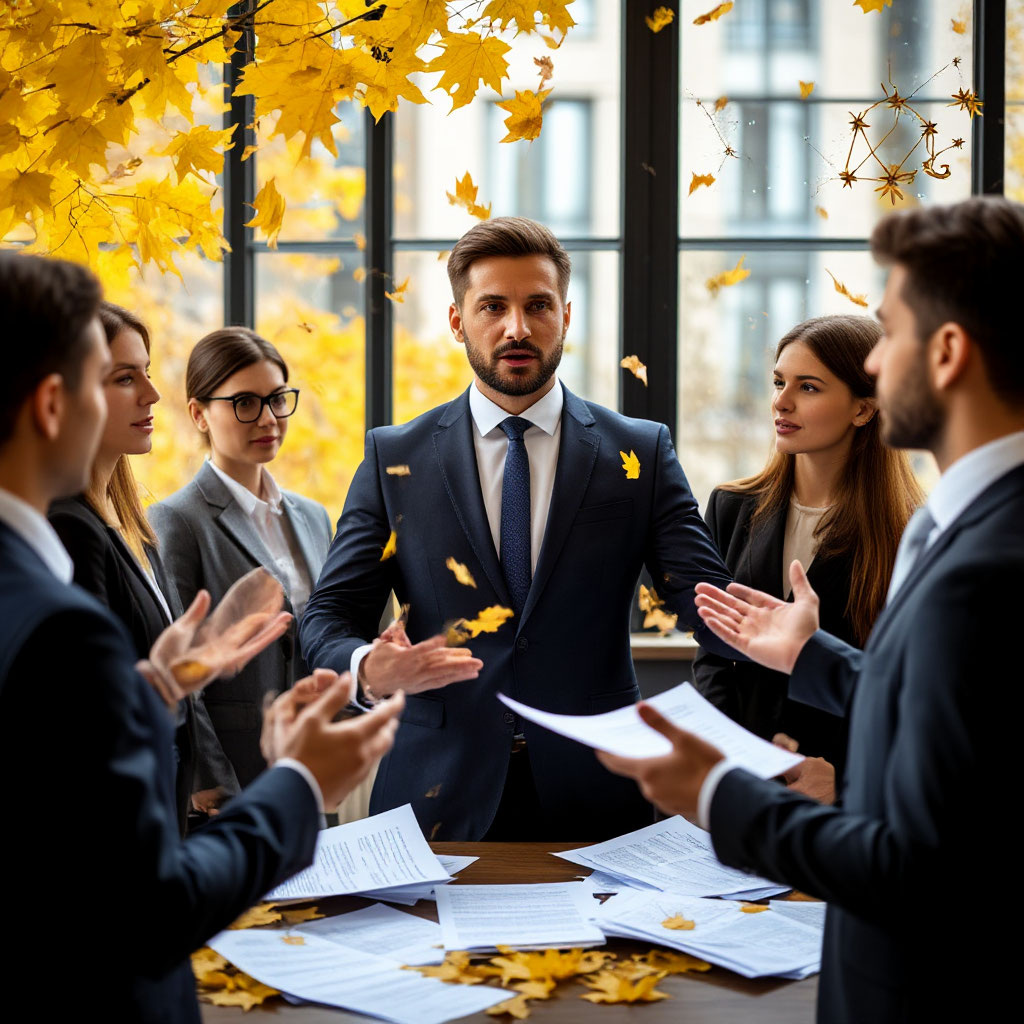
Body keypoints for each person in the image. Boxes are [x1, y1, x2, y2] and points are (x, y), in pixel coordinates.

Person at [597, 196, 1022, 1022]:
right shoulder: (970, 524)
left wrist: (721, 793)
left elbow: (920, 863)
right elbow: (950, 726)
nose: (874, 363)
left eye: (888, 333)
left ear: (946, 352)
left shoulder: (989, 563)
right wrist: (813, 657)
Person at [0, 250, 405, 1023]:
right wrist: (299, 785)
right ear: (54, 405)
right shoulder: (61, 627)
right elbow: (149, 908)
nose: (149, 396)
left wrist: (153, 688)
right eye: (110, 378)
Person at [301, 216, 736, 842]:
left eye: (538, 306)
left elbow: (711, 611)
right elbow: (328, 616)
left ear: (566, 314)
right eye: (492, 307)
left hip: (601, 795)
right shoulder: (393, 457)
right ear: (457, 321)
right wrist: (368, 668)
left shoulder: (639, 452)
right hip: (432, 801)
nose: (517, 328)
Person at [693, 315, 921, 786]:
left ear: (864, 409)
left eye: (809, 387)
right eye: (779, 382)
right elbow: (714, 654)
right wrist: (729, 756)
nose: (781, 401)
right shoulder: (731, 506)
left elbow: (908, 690)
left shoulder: (911, 533)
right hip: (741, 781)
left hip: (840, 789)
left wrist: (844, 779)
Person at [48, 302, 219, 833]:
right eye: (125, 378)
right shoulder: (66, 528)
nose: (151, 394)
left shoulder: (131, 527)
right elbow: (87, 718)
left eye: (145, 372)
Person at [150, 328, 333, 809]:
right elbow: (182, 669)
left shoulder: (313, 517)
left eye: (277, 399)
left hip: (309, 767)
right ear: (198, 414)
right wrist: (211, 780)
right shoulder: (177, 520)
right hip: (234, 776)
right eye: (245, 403)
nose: (269, 418)